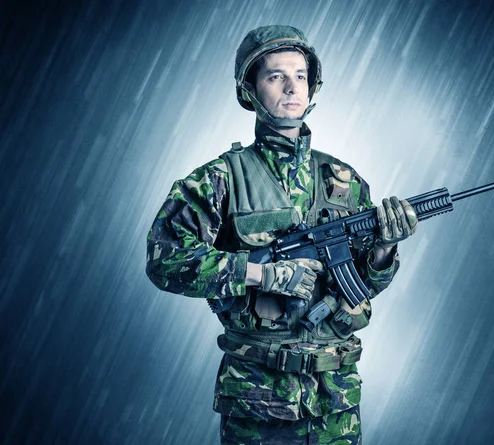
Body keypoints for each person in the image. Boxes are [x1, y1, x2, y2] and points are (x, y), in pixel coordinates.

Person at [146, 25, 418, 445]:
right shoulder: (219, 180)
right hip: (258, 397)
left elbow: (359, 288)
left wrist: (384, 249)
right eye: (276, 76)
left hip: (336, 400)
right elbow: (164, 262)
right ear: (249, 90)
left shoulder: (343, 181)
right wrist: (260, 273)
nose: (292, 87)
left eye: (301, 75)